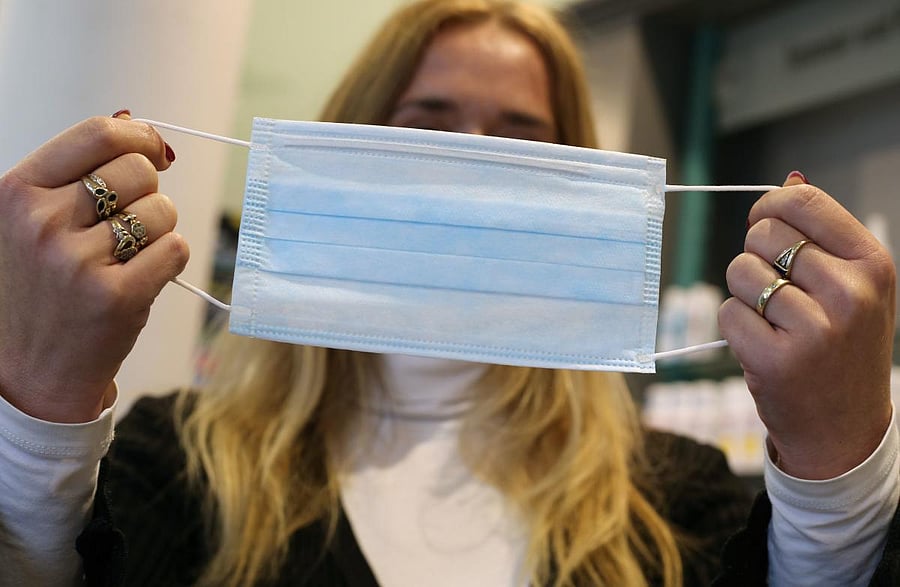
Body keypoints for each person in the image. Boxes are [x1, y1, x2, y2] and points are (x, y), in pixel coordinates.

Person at [0, 0, 897, 586]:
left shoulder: (673, 501)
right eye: (429, 126)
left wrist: (839, 467)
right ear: (350, 149)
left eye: (520, 141)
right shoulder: (174, 467)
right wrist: (39, 407)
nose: (472, 169)